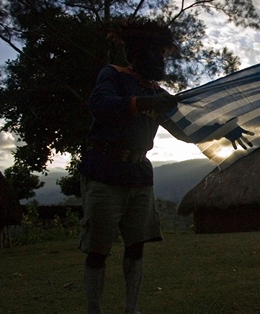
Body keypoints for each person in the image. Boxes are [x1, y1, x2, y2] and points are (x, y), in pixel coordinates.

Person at [78, 18, 191, 314]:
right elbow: (101, 106)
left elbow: (184, 130)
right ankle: (94, 309)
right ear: (135, 54)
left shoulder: (157, 94)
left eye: (162, 54)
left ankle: (132, 308)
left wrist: (225, 130)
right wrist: (144, 103)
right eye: (153, 53)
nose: (159, 59)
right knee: (98, 248)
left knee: (136, 245)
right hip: (104, 172)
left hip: (139, 175)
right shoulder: (113, 74)